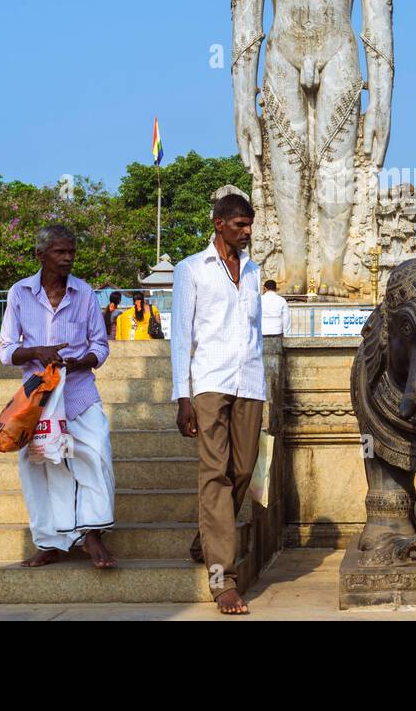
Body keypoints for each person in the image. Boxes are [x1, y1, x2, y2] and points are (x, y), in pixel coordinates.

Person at [0, 225, 117, 569]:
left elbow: (100, 345)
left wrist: (83, 361)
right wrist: (36, 351)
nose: (67, 259)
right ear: (41, 256)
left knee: (97, 454)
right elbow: (6, 350)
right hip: (39, 399)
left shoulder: (85, 293)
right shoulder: (19, 293)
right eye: (59, 252)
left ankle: (93, 535)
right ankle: (50, 542)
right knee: (39, 467)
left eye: (71, 252)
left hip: (79, 391)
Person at [171, 193, 264, 615]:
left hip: (249, 381)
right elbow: (181, 337)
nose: (247, 232)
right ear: (219, 224)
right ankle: (222, 577)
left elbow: (256, 333)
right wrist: (182, 395)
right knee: (215, 473)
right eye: (240, 225)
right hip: (208, 381)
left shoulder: (253, 270)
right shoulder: (191, 269)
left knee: (242, 469)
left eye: (249, 225)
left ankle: (206, 537)